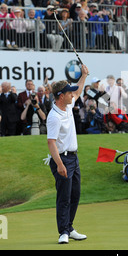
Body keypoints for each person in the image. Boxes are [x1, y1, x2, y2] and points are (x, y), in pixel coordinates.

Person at [47, 64, 89, 244]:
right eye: (69, 93)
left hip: (73, 157)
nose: (73, 95)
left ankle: (69, 227)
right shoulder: (54, 116)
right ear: (61, 96)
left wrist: (84, 75)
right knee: (63, 198)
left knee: (75, 195)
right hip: (62, 158)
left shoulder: (68, 106)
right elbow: (51, 143)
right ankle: (62, 232)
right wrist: (60, 164)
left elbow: (78, 90)